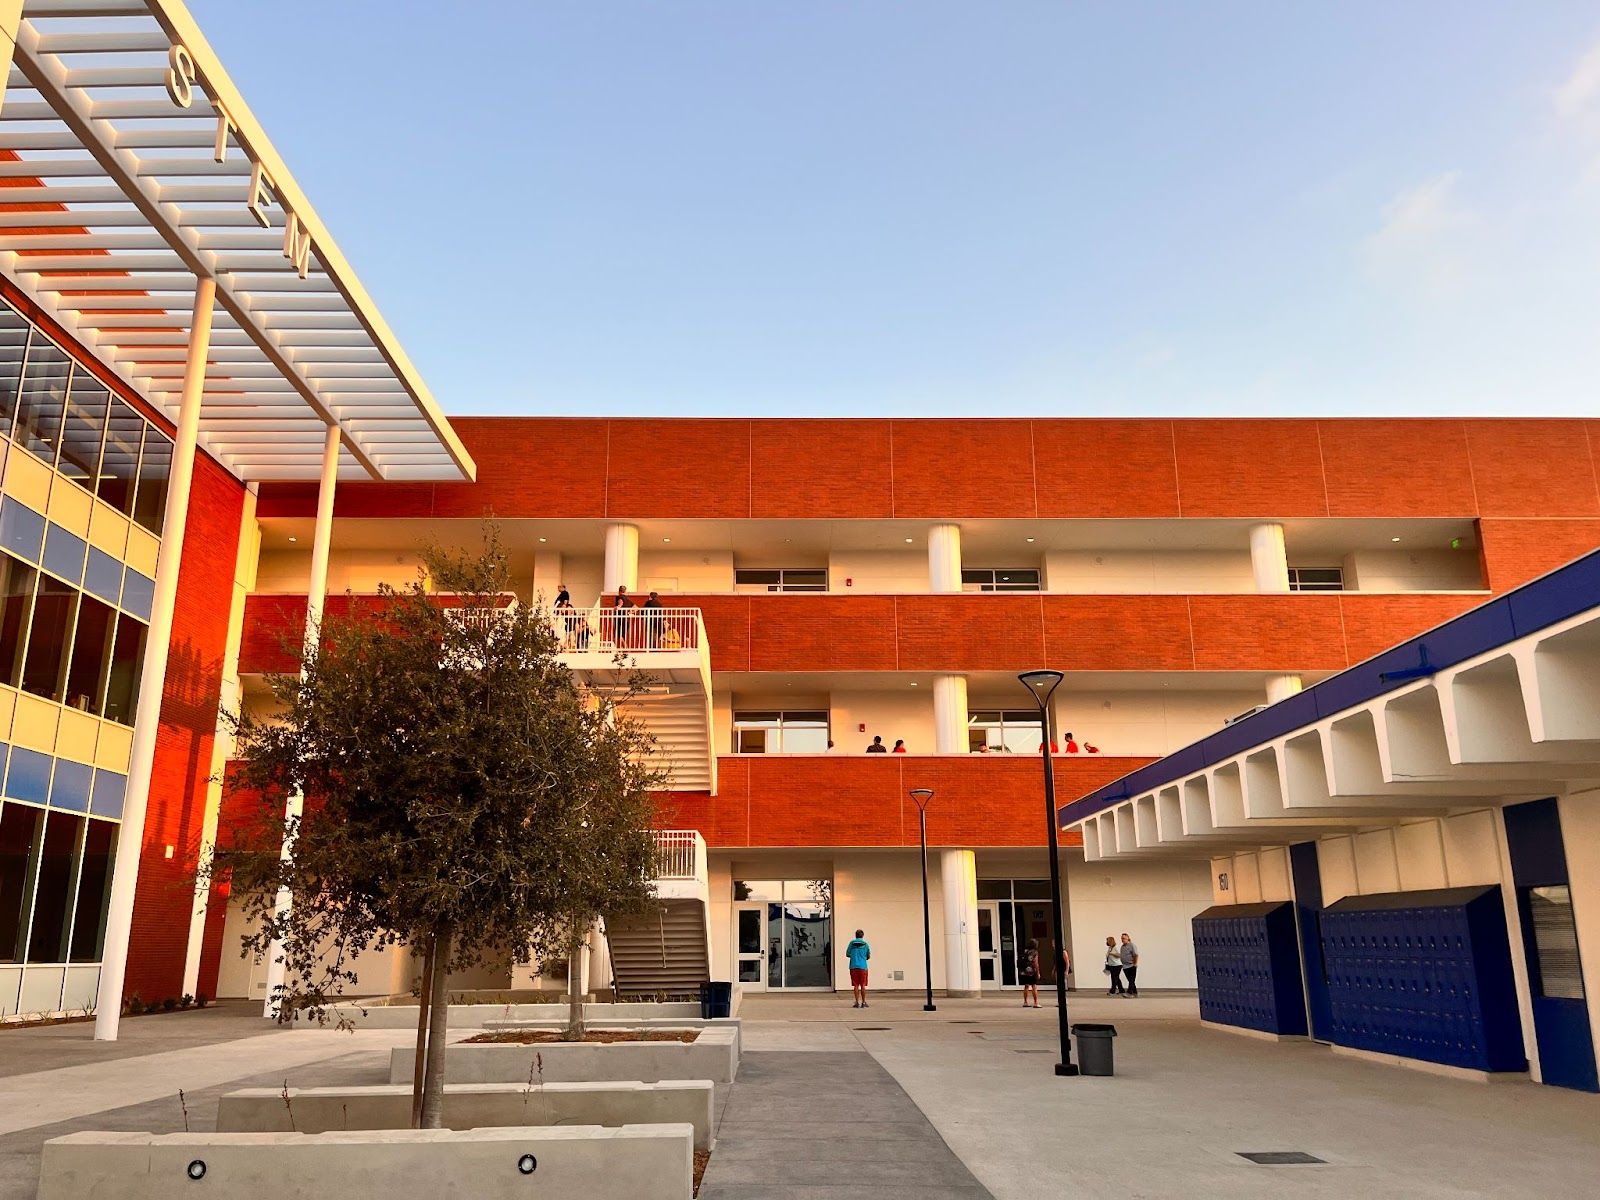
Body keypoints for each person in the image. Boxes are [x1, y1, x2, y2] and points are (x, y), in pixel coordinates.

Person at [846, 929, 871, 1008]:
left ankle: (857, 1002)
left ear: (855, 935)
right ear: (862, 936)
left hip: (853, 966)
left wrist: (854, 956)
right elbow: (868, 956)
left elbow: (847, 954)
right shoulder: (866, 944)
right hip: (863, 967)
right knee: (863, 985)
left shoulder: (851, 943)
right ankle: (863, 1002)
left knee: (856, 985)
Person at [1019, 939, 1041, 1008]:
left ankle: (1025, 1002)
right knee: (1034, 986)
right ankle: (1036, 1002)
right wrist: (1038, 972)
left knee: (1026, 986)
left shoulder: (1025, 951)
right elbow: (1036, 963)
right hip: (1032, 971)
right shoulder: (1035, 952)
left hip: (1025, 971)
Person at [1119, 931, 1139, 997]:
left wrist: (1135, 964)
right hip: (1125, 966)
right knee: (1131, 981)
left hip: (1131, 966)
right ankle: (1135, 993)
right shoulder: (1122, 947)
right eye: (1122, 938)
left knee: (1131, 980)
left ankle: (1129, 993)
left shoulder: (1132, 945)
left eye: (1124, 938)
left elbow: (1136, 955)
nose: (1122, 940)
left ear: (1128, 938)